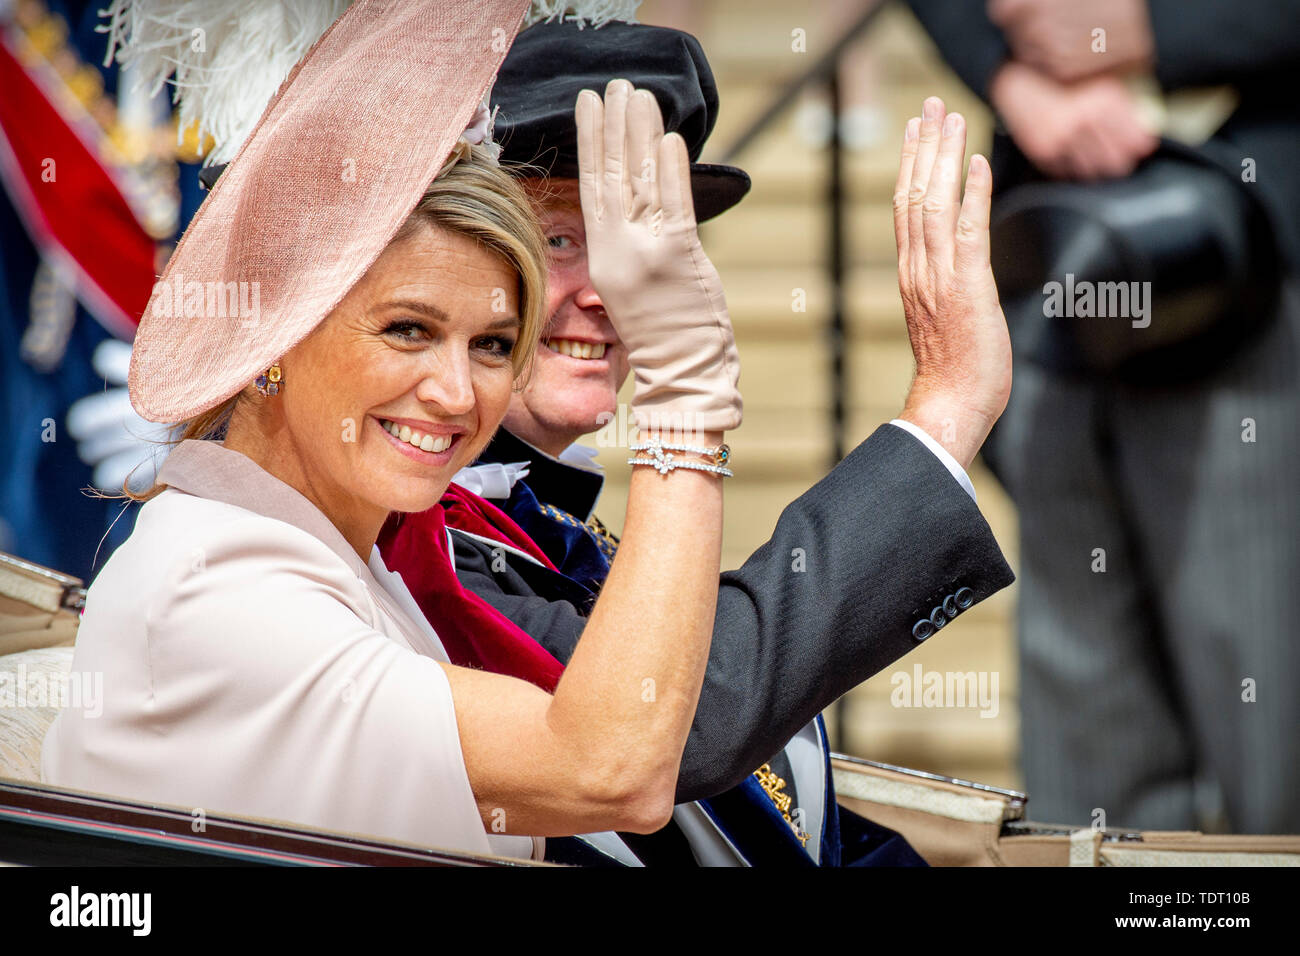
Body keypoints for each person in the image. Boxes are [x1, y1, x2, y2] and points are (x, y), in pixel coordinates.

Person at [41, 0, 746, 861]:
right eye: (408, 329)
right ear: (273, 338)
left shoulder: (343, 568)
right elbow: (610, 769)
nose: (456, 393)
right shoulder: (213, 585)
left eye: (492, 344)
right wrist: (686, 396)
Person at [380, 17, 1017, 864]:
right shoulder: (410, 539)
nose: (613, 291)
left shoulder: (559, 527)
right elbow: (685, 723)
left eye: (644, 244)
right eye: (560, 237)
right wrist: (946, 409)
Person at [905, 0, 1300, 833]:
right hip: (1050, 249)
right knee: (1084, 733)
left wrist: (1155, 30)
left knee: (1271, 726)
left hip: (1264, 243)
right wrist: (1014, 77)